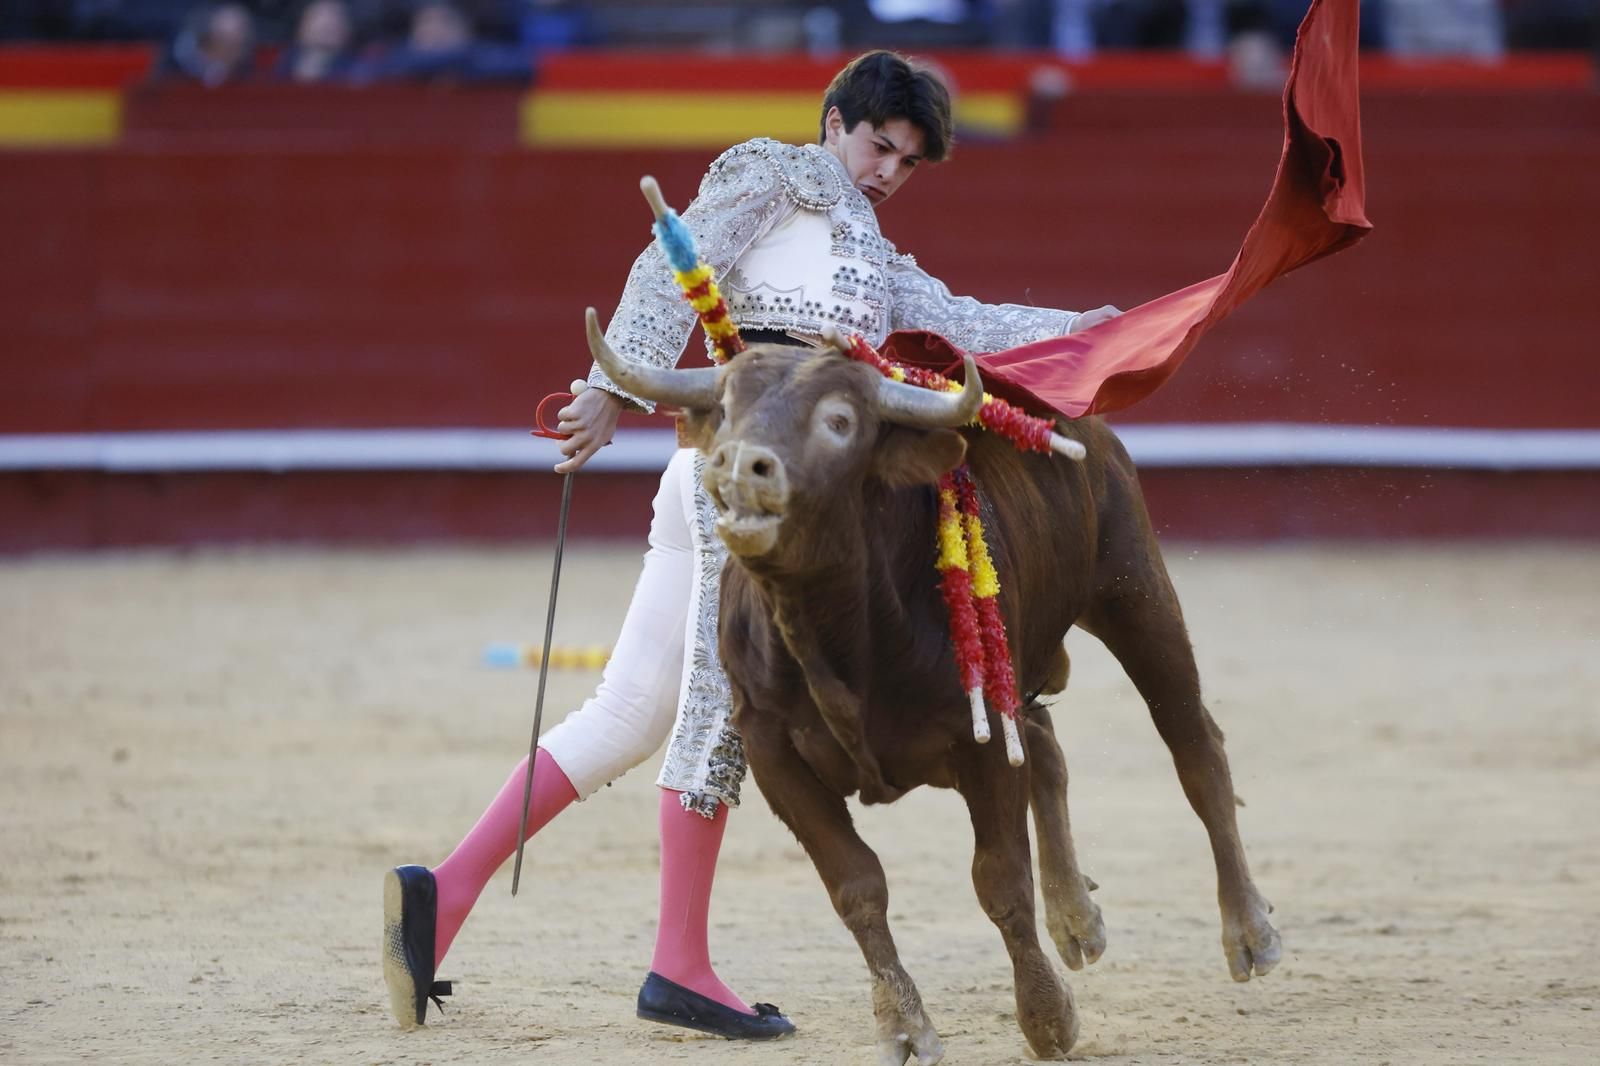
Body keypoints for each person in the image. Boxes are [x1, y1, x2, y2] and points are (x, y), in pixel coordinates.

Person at [383, 49, 1119, 1041]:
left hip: (743, 486)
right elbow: (668, 261)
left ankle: (443, 889)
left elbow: (958, 322)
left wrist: (1085, 329)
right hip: (749, 486)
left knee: (629, 711)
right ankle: (677, 965)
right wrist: (611, 384)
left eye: (908, 159)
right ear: (833, 121)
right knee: (725, 715)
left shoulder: (873, 257)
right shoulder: (766, 174)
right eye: (878, 142)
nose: (888, 169)